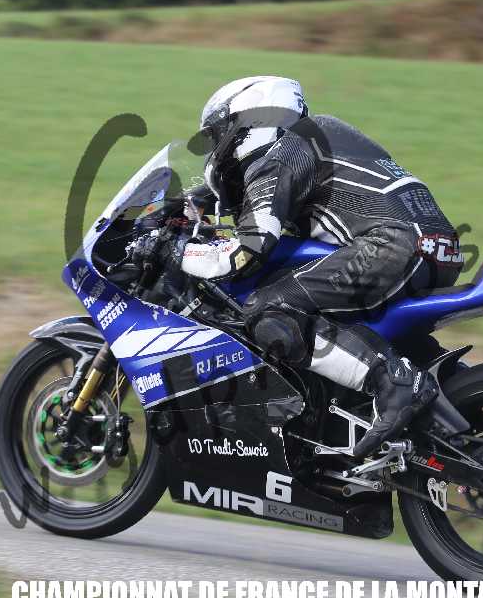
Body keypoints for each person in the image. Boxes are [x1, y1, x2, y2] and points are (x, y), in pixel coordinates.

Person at [158, 76, 463, 458]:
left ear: (248, 124)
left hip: (391, 247)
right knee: (319, 302)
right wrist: (187, 204)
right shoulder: (315, 137)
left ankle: (392, 382)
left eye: (219, 134)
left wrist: (180, 252)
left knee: (268, 308)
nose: (218, 149)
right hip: (435, 247)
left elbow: (248, 250)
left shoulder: (282, 154)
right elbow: (251, 200)